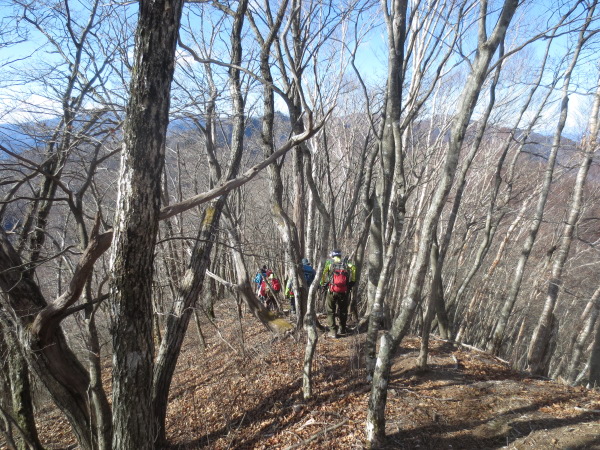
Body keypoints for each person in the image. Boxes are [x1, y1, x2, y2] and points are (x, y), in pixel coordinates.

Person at [320, 249, 356, 338]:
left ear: (333, 256)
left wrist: (322, 283)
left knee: (330, 311)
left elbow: (323, 273)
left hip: (332, 290)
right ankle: (342, 329)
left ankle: (333, 331)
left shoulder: (329, 262)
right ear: (340, 255)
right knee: (343, 311)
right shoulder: (346, 263)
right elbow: (354, 268)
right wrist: (352, 281)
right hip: (343, 291)